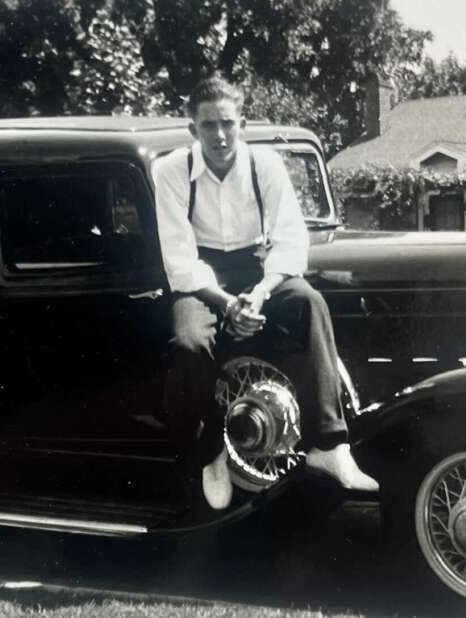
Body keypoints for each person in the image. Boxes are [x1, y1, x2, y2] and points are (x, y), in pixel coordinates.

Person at [153, 76, 379, 510]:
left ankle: (329, 446)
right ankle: (212, 455)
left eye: (227, 124)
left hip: (258, 270)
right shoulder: (171, 171)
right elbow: (179, 260)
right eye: (208, 126)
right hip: (202, 278)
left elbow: (292, 239)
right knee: (189, 342)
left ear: (243, 123)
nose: (219, 136)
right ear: (192, 130)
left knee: (309, 303)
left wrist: (259, 294)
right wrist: (227, 303)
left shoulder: (266, 165)